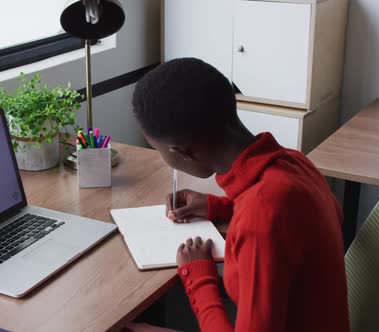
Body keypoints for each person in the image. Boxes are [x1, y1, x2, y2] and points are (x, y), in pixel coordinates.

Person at [128, 58, 349, 332]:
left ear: (183, 152)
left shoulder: (260, 218)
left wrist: (199, 277)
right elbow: (298, 221)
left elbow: (267, 220)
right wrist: (218, 207)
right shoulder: (292, 163)